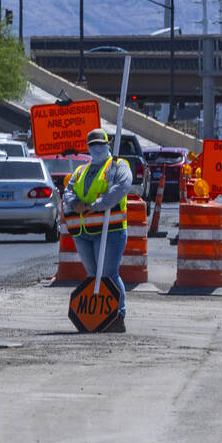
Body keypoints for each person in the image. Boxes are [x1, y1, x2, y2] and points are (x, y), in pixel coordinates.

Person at [63, 128, 133, 332]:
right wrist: (75, 203)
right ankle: (99, 317)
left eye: (100, 145)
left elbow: (121, 187)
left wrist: (97, 204)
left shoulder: (118, 166)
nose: (96, 149)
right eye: (92, 146)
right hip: (83, 233)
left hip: (111, 231)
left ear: (108, 144)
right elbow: (68, 192)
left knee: (109, 274)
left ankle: (118, 316)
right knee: (93, 274)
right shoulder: (80, 171)